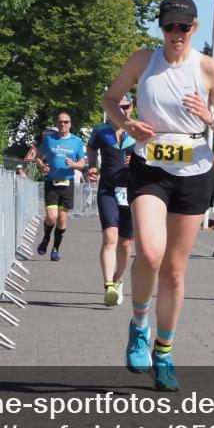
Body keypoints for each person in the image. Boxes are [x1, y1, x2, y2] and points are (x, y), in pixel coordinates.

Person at [103, 0, 214, 392]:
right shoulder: (142, 62)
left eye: (183, 27)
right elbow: (110, 99)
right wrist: (127, 126)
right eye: (169, 27)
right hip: (150, 168)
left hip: (194, 173)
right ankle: (139, 326)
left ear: (194, 28)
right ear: (160, 28)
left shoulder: (209, 70)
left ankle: (165, 351)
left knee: (175, 271)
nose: (176, 34)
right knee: (148, 251)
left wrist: (209, 117)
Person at [87, 95, 137, 307]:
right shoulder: (101, 131)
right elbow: (91, 148)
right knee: (110, 237)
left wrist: (138, 161)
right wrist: (91, 165)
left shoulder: (138, 132)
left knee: (125, 245)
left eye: (126, 107)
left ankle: (118, 279)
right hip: (107, 189)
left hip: (132, 192)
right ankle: (108, 286)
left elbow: (153, 158)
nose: (123, 110)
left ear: (132, 108)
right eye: (119, 107)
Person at [35, 109, 86, 261]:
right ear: (57, 124)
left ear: (70, 125)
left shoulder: (76, 141)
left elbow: (82, 163)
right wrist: (41, 165)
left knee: (62, 219)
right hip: (51, 182)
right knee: (52, 216)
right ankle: (45, 238)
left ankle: (55, 249)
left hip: (67, 184)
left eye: (65, 122)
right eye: (60, 122)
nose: (62, 124)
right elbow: (38, 157)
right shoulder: (49, 139)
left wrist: (74, 164)